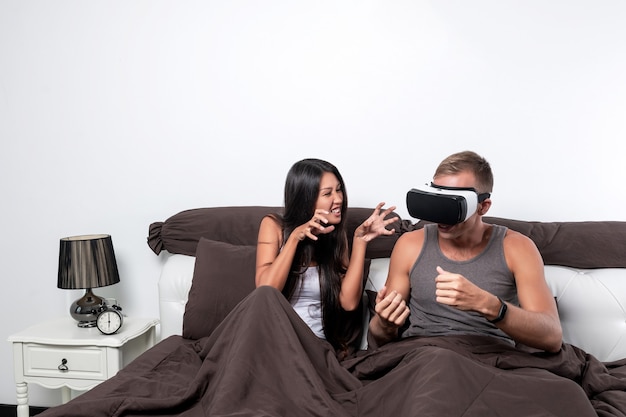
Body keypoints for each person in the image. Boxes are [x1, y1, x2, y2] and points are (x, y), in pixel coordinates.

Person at [369, 150, 563, 352]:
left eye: (452, 205)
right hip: (424, 357)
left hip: (489, 360)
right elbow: (381, 334)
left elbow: (551, 337)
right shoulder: (409, 245)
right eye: (438, 201)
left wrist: (489, 305)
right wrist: (384, 323)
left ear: (483, 206)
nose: (442, 217)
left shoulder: (517, 248)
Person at [256, 158, 398, 358]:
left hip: (313, 347)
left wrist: (360, 241)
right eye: (327, 193)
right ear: (306, 198)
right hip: (273, 339)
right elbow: (265, 292)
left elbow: (348, 303)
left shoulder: (335, 238)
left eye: (339, 190)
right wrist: (295, 237)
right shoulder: (273, 225)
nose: (338, 199)